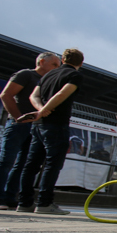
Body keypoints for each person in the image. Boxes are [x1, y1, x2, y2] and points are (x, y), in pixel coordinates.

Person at [0, 52, 61, 210]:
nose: (56, 69)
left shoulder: (48, 83)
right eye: (54, 65)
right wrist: (18, 117)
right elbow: (6, 95)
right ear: (41, 62)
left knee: (23, 164)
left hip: (36, 127)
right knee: (6, 160)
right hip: (18, 124)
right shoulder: (26, 75)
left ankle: (10, 197)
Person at [16, 48, 84, 215]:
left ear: (62, 59)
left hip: (39, 124)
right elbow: (62, 94)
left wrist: (40, 110)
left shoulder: (47, 75)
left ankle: (24, 202)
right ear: (80, 63)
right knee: (52, 165)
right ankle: (45, 203)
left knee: (31, 164)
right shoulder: (75, 76)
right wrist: (46, 109)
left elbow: (33, 96)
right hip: (57, 124)